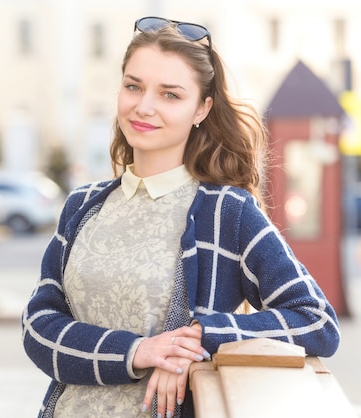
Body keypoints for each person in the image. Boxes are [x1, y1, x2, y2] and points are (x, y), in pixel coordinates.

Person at [21, 16, 340, 418]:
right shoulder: (83, 205)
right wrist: (139, 351)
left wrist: (201, 337)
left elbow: (316, 322)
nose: (144, 106)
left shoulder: (226, 212)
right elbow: (39, 324)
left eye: (170, 95)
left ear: (201, 108)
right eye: (133, 86)